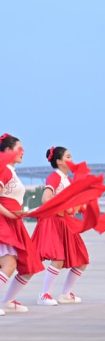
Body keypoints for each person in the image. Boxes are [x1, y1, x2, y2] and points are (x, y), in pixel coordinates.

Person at [34, 146, 90, 306]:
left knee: (82, 260)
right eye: (68, 157)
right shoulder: (55, 177)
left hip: (66, 222)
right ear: (59, 161)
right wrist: (64, 207)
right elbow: (46, 199)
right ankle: (44, 294)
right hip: (54, 222)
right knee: (58, 258)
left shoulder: (67, 180)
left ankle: (65, 294)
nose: (72, 160)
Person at [0, 134, 44, 314]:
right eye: (19, 148)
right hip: (4, 221)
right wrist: (10, 214)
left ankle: (8, 301)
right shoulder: (4, 169)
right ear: (7, 150)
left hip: (14, 222)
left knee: (29, 265)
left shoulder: (11, 170)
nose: (23, 152)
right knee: (9, 264)